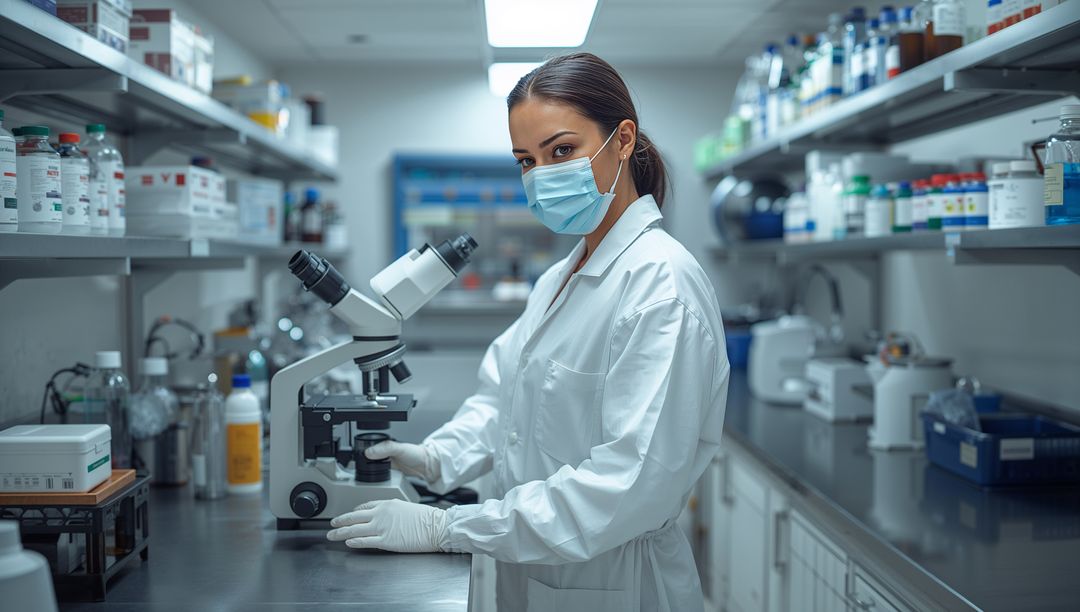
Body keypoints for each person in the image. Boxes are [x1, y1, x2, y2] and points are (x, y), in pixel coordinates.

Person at [327, 53, 730, 612]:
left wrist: (448, 527)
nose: (541, 175)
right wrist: (434, 458)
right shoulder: (560, 277)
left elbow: (627, 486)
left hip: (617, 583)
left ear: (622, 140)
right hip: (536, 568)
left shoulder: (662, 286)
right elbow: (506, 399)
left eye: (561, 150)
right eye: (526, 160)